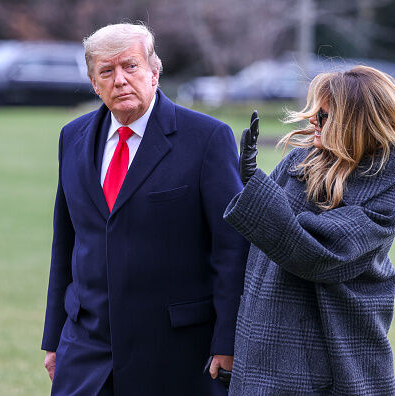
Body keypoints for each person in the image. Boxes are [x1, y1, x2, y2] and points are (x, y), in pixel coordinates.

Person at [41, 23, 249, 395]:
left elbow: (231, 249)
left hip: (177, 352)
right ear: (93, 82)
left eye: (130, 66)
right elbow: (66, 242)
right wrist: (54, 336)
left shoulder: (206, 139)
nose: (120, 80)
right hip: (86, 349)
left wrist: (227, 341)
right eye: (107, 70)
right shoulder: (71, 137)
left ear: (154, 71)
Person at [223, 65, 395, 395]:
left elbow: (318, 255)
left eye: (323, 115)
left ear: (354, 124)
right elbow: (255, 244)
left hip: (337, 355)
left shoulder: (389, 197)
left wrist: (255, 186)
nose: (312, 121)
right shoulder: (298, 163)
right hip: (265, 347)